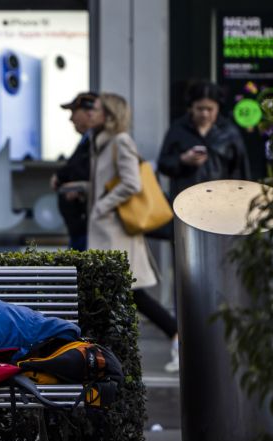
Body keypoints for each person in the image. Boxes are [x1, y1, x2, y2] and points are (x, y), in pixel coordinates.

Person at [89, 93, 180, 372]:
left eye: (95, 109)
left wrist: (101, 206)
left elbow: (131, 183)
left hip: (118, 231)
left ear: (110, 114)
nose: (91, 113)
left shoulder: (120, 142)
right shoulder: (102, 144)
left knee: (130, 293)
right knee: (123, 294)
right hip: (108, 231)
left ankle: (176, 336)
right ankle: (109, 354)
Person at [158, 81, 251, 204]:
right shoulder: (178, 128)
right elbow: (163, 163)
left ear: (218, 107)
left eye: (209, 109)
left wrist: (240, 198)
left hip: (221, 200)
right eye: (200, 108)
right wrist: (182, 159)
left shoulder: (229, 132)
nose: (204, 114)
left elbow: (241, 169)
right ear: (191, 107)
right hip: (185, 200)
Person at [50, 91, 101, 251]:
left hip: (88, 224)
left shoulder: (99, 141)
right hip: (79, 227)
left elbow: (87, 171)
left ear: (90, 113)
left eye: (74, 112)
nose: (71, 119)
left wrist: (73, 184)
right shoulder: (87, 140)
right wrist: (61, 176)